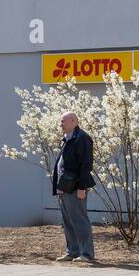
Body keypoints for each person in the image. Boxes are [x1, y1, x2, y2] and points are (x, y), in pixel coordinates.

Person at [52, 111, 96, 264]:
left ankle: (87, 254)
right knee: (68, 221)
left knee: (79, 220)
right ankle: (73, 251)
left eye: (63, 121)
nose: (60, 124)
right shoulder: (67, 139)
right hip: (64, 187)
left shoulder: (82, 138)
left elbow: (86, 165)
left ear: (73, 121)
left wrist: (82, 187)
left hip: (76, 187)